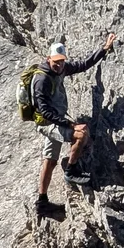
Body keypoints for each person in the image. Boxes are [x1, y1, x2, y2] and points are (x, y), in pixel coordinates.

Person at [32, 32, 114, 219]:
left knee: (50, 160)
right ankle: (71, 170)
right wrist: (70, 124)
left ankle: (42, 202)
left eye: (62, 61)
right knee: (81, 133)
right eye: (56, 61)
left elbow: (83, 65)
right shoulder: (42, 79)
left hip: (55, 119)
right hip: (47, 122)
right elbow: (44, 111)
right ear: (48, 59)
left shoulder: (61, 69)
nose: (59, 64)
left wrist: (103, 49)